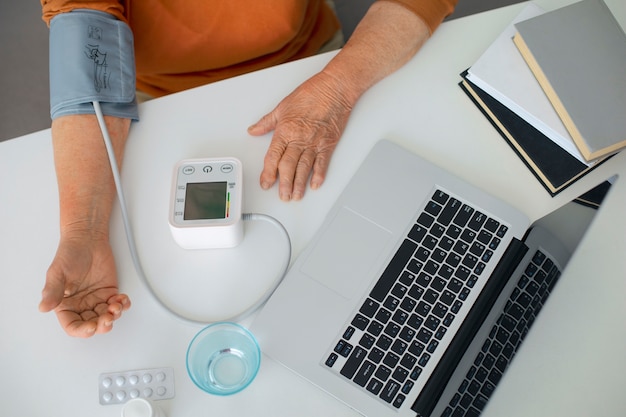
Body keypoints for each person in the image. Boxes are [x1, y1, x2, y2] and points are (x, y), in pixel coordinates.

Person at [38, 0, 458, 337]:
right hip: (158, 91)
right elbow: (86, 59)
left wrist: (337, 88)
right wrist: (85, 231)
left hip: (311, 61)